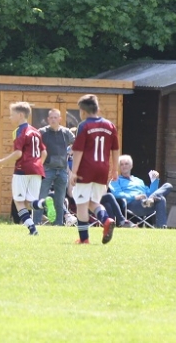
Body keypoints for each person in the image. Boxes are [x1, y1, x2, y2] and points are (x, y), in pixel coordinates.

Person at [69, 94, 119, 244]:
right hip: (102, 170)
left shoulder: (84, 126)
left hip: (86, 169)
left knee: (81, 203)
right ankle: (106, 220)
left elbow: (78, 150)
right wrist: (115, 169)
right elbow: (115, 149)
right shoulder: (110, 126)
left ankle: (84, 239)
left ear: (83, 111)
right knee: (93, 202)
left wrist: (74, 172)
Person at [0, 102, 46, 235]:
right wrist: (37, 165)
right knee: (29, 203)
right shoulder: (36, 131)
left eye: (12, 115)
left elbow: (18, 153)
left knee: (18, 201)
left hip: (22, 169)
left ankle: (33, 226)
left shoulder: (19, 131)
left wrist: (2, 163)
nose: (10, 118)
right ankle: (40, 207)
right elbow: (44, 153)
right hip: (37, 170)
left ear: (20, 115)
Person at [109, 154, 173, 228]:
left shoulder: (139, 181)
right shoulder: (116, 180)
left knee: (168, 186)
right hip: (132, 204)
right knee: (161, 198)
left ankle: (161, 227)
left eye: (126, 164)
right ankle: (161, 225)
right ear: (119, 167)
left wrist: (155, 181)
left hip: (148, 202)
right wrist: (134, 197)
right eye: (121, 164)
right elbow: (117, 194)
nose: (124, 166)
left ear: (131, 166)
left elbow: (149, 193)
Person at [34, 108, 75, 226]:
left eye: (55, 117)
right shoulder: (42, 132)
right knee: (41, 197)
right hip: (47, 169)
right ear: (48, 119)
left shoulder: (66, 132)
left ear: (60, 119)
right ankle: (36, 222)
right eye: (51, 118)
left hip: (62, 170)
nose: (53, 120)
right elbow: (33, 143)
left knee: (60, 199)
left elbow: (77, 143)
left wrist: (70, 152)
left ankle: (58, 224)